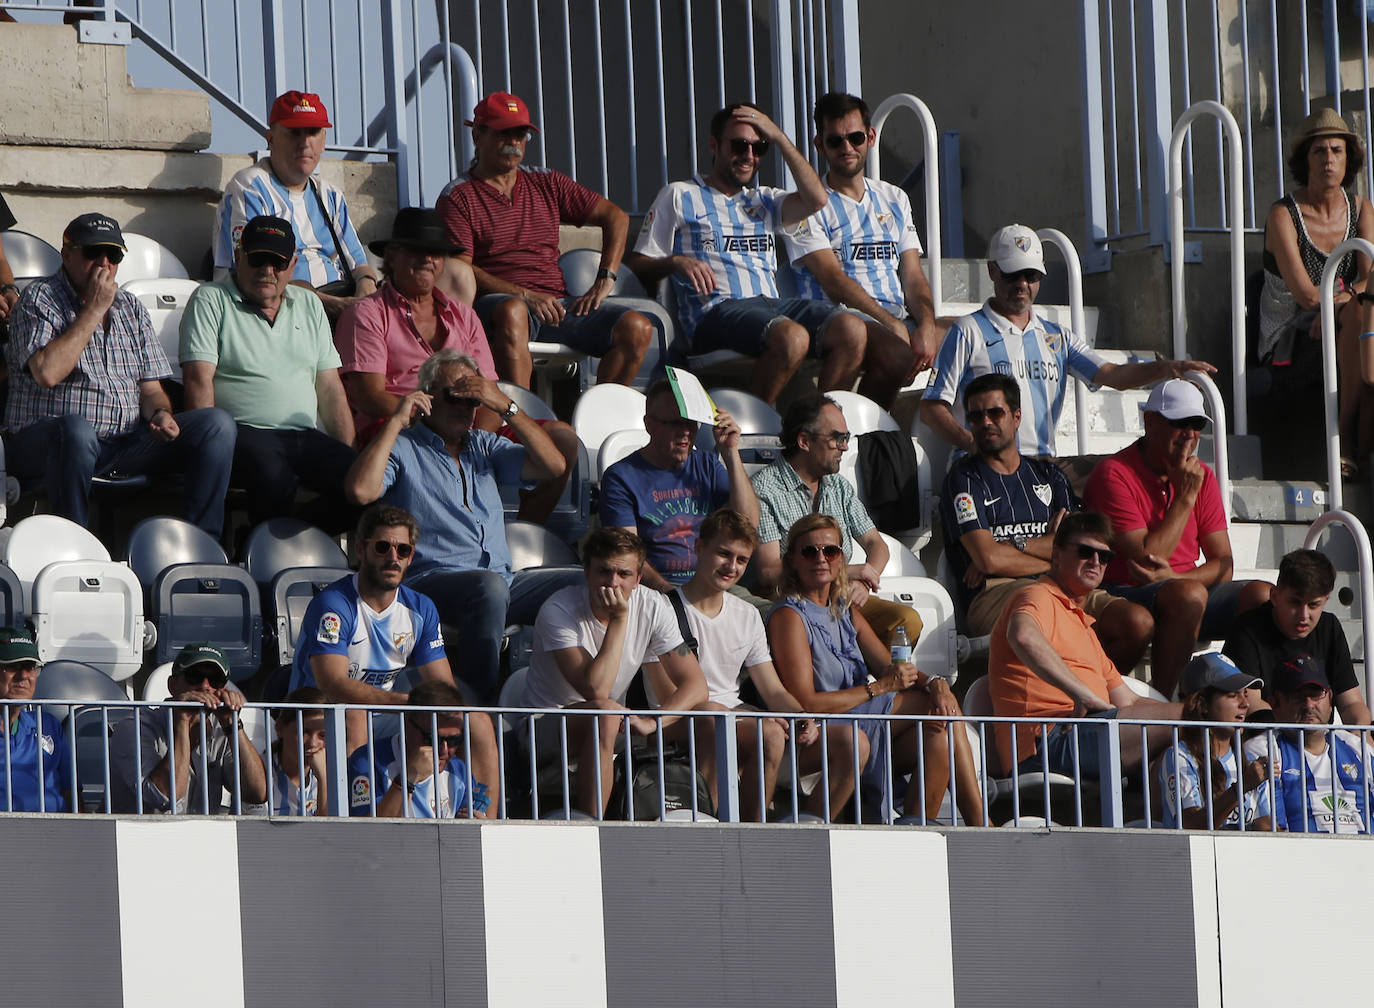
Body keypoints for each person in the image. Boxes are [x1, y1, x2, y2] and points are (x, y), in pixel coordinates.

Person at [344, 349, 577, 700]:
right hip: (431, 583)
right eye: (455, 396)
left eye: (472, 399)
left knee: (588, 579)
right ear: (428, 396)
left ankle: (568, 697)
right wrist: (396, 421)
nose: (464, 407)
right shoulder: (405, 447)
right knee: (488, 588)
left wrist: (504, 405)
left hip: (502, 581)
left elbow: (554, 466)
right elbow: (360, 490)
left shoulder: (484, 445)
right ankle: (477, 713)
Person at [336, 206, 580, 522]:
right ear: (393, 256)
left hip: (464, 426)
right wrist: (440, 422)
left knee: (562, 439)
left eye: (436, 253)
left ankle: (523, 533)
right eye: (417, 250)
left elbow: (488, 391)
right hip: (399, 428)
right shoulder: (366, 313)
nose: (428, 259)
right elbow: (370, 397)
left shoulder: (464, 315)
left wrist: (474, 440)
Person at [3, 212, 236, 535]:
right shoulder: (39, 298)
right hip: (48, 441)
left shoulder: (130, 306)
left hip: (123, 443)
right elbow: (47, 373)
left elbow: (151, 388)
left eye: (112, 255)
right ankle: (74, 543)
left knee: (216, 424)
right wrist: (93, 310)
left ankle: (204, 543)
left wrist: (160, 414)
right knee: (76, 430)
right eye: (92, 252)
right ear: (67, 254)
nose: (103, 263)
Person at [626, 102, 869, 406]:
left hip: (771, 307)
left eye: (759, 147)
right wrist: (676, 261)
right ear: (714, 146)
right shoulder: (679, 194)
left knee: (852, 330)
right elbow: (637, 264)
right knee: (792, 338)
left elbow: (818, 199)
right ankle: (756, 423)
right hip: (715, 312)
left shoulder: (764, 199)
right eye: (740, 145)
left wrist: (779, 137)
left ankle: (820, 424)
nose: (749, 156)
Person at [920, 223, 1215, 457]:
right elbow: (932, 408)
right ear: (992, 271)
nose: (1023, 285)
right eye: (1013, 275)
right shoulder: (967, 331)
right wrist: (974, 445)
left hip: (1042, 465)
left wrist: (1166, 368)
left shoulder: (1057, 336)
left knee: (1112, 478)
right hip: (984, 465)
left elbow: (1113, 375)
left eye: (1032, 275)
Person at [766, 513, 984, 824]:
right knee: (936, 710)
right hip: (819, 726)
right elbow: (807, 702)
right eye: (809, 551)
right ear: (792, 561)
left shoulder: (844, 609)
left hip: (862, 713)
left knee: (939, 725)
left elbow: (890, 666)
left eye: (830, 551)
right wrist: (878, 688)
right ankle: (977, 818)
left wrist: (936, 683)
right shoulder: (789, 616)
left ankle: (916, 828)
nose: (821, 559)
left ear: (841, 559)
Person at [287, 502, 500, 804]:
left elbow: (444, 689)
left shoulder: (421, 608)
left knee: (474, 719)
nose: (393, 557)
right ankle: (351, 817)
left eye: (403, 550)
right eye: (383, 547)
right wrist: (408, 703)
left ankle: (479, 818)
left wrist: (441, 712)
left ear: (412, 556)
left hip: (383, 713)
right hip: (317, 715)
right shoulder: (334, 604)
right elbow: (331, 683)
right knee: (355, 713)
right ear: (360, 549)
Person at [437, 91, 653, 387]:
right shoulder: (458, 196)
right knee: (513, 311)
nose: (514, 141)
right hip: (497, 308)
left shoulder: (547, 182)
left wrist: (605, 279)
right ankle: (518, 425)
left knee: (638, 327)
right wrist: (524, 295)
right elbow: (459, 269)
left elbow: (616, 216)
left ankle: (599, 420)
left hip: (556, 305)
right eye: (503, 132)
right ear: (478, 136)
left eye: (521, 133)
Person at [941, 373, 1152, 672]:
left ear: (1016, 417)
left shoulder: (1048, 476)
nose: (985, 422)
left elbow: (1079, 547)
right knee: (1052, 610)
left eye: (995, 412)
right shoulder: (963, 480)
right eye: (976, 416)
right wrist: (1053, 556)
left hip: (1065, 582)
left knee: (1137, 623)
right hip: (995, 592)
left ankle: (1097, 699)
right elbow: (988, 560)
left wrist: (1012, 547)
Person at [1082, 379, 1270, 698]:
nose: (1190, 434)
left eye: (1196, 424)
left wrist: (1177, 578)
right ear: (1149, 421)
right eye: (1179, 423)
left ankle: (1247, 701)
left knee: (1264, 597)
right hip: (1125, 590)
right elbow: (1146, 560)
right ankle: (1166, 703)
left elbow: (1224, 563)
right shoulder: (1113, 474)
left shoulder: (1201, 476)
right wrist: (1185, 498)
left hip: (1182, 589)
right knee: (1188, 595)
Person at [181, 214, 357, 530]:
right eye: (258, 259)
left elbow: (329, 387)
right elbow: (198, 379)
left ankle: (277, 539)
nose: (267, 271)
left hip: (302, 434)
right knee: (273, 476)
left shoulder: (309, 303)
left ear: (294, 264)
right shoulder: (211, 299)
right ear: (238, 257)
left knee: (365, 485)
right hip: (241, 431)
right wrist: (206, 449)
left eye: (277, 262)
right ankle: (266, 557)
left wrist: (345, 451)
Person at [520, 528, 707, 817]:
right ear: (587, 573)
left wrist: (653, 723)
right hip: (543, 725)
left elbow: (695, 685)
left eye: (623, 575)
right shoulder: (558, 609)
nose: (613, 583)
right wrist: (620, 619)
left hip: (611, 723)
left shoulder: (654, 605)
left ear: (638, 578)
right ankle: (595, 829)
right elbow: (596, 690)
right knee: (605, 713)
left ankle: (714, 823)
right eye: (604, 572)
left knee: (713, 714)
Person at [987, 512, 1181, 779]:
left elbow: (1130, 700)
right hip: (1045, 741)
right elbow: (1022, 636)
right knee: (1194, 724)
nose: (1096, 562)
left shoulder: (1083, 625)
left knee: (1197, 728)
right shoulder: (1036, 595)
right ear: (1056, 555)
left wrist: (1197, 710)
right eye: (1085, 551)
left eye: (1105, 557)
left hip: (1085, 731)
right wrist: (1082, 695)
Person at [655, 509, 820, 820]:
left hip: (728, 715)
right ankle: (708, 820)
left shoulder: (747, 614)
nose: (732, 566)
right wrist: (730, 715)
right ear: (699, 548)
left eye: (742, 560)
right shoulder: (662, 609)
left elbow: (771, 688)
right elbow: (666, 697)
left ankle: (752, 827)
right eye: (723, 554)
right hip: (674, 717)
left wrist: (800, 716)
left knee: (771, 732)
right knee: (719, 718)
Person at [784, 91, 935, 404]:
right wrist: (892, 323)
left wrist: (927, 325)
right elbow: (833, 282)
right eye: (835, 141)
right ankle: (857, 436)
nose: (847, 148)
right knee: (896, 354)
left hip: (893, 316)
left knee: (969, 338)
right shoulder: (805, 205)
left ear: (870, 136)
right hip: (840, 319)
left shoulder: (895, 198)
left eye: (855, 138)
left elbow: (913, 276)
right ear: (819, 146)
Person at [751, 393, 922, 646]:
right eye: (837, 438)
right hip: (793, 604)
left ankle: (877, 682)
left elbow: (877, 545)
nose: (844, 446)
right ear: (804, 441)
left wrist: (865, 580)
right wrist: (850, 571)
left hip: (839, 598)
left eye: (846, 438)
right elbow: (769, 573)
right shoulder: (763, 489)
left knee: (906, 621)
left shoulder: (838, 486)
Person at [1257, 108, 1374, 477]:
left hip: (1340, 322)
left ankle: (1359, 441)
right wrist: (1343, 301)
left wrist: (1343, 301)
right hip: (1291, 337)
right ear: (1304, 159)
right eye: (1319, 151)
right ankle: (1343, 440)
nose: (1328, 160)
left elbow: (1372, 277)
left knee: (1361, 316)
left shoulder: (1361, 208)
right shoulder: (1283, 214)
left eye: (1337, 151)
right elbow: (1308, 296)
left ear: (1348, 160)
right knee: (1359, 315)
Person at [214, 90, 382, 323]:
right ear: (270, 139)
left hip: (336, 307)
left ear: (323, 141)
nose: (304, 143)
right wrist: (329, 303)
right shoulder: (250, 187)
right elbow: (255, 274)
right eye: (294, 133)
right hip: (267, 311)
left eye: (312, 132)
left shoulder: (331, 194)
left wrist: (364, 292)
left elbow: (360, 266)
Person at [600, 378, 758, 590]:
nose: (685, 431)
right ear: (649, 424)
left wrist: (730, 453)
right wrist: (672, 595)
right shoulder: (621, 477)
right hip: (659, 589)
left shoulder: (707, 465)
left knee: (772, 615)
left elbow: (749, 522)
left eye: (691, 423)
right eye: (675, 423)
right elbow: (627, 556)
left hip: (715, 584)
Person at [109, 643, 268, 814]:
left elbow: (257, 793)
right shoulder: (135, 726)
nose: (205, 686)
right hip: (137, 836)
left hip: (198, 837)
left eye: (215, 680)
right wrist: (182, 721)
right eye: (195, 677)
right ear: (173, 685)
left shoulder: (223, 729)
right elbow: (163, 796)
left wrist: (232, 724)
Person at [1223, 548, 1372, 725]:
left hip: (1319, 744)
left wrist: (1360, 737)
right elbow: (1251, 705)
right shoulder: (1247, 629)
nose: (1303, 614)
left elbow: (1351, 703)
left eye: (1313, 605)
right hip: (1266, 743)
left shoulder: (1329, 627)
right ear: (1275, 596)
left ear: (1326, 600)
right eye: (1295, 602)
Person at [1251, 654, 1373, 834]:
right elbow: (1267, 824)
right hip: (1301, 857)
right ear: (1276, 703)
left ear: (1330, 698)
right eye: (1298, 697)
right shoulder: (1264, 748)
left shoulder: (1355, 745)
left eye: (1316, 695)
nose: (1309, 705)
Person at [1158, 652, 1275, 831]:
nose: (1245, 704)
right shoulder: (1180, 756)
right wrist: (1241, 787)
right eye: (1233, 694)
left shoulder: (1250, 759)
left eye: (1245, 694)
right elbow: (1192, 826)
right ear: (1203, 705)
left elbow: (1265, 826)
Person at [348, 681, 492, 818]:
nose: (444, 750)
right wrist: (408, 779)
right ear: (407, 725)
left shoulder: (459, 771)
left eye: (455, 740)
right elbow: (367, 833)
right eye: (433, 739)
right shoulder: (367, 761)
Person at [0, 628, 71, 813]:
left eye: (30, 667)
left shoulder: (49, 725)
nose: (23, 675)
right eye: (12, 666)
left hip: (54, 836)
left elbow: (71, 793)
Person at [254, 687, 328, 817]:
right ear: (280, 728)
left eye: (322, 735)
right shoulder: (259, 771)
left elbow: (333, 833)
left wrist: (323, 779)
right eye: (304, 732)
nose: (313, 743)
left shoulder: (331, 775)